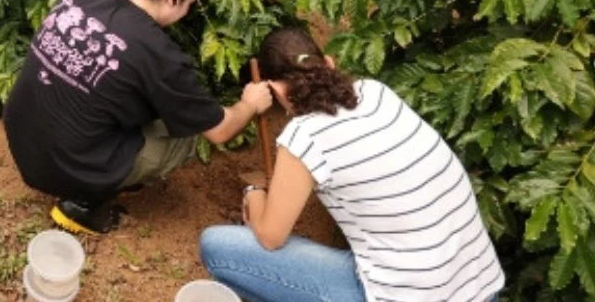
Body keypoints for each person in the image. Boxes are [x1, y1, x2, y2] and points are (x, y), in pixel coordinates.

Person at [199, 27, 505, 302]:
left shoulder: (305, 137)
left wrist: (254, 193)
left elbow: (269, 236)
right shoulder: (375, 92)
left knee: (217, 247)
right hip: (480, 286)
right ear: (329, 63)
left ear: (276, 90)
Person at [3, 0, 274, 234]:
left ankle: (101, 174)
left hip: (23, 141)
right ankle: (84, 203)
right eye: (190, 4)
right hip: (66, 168)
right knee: (187, 137)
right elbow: (219, 129)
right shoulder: (157, 52)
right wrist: (250, 103)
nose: (187, 11)